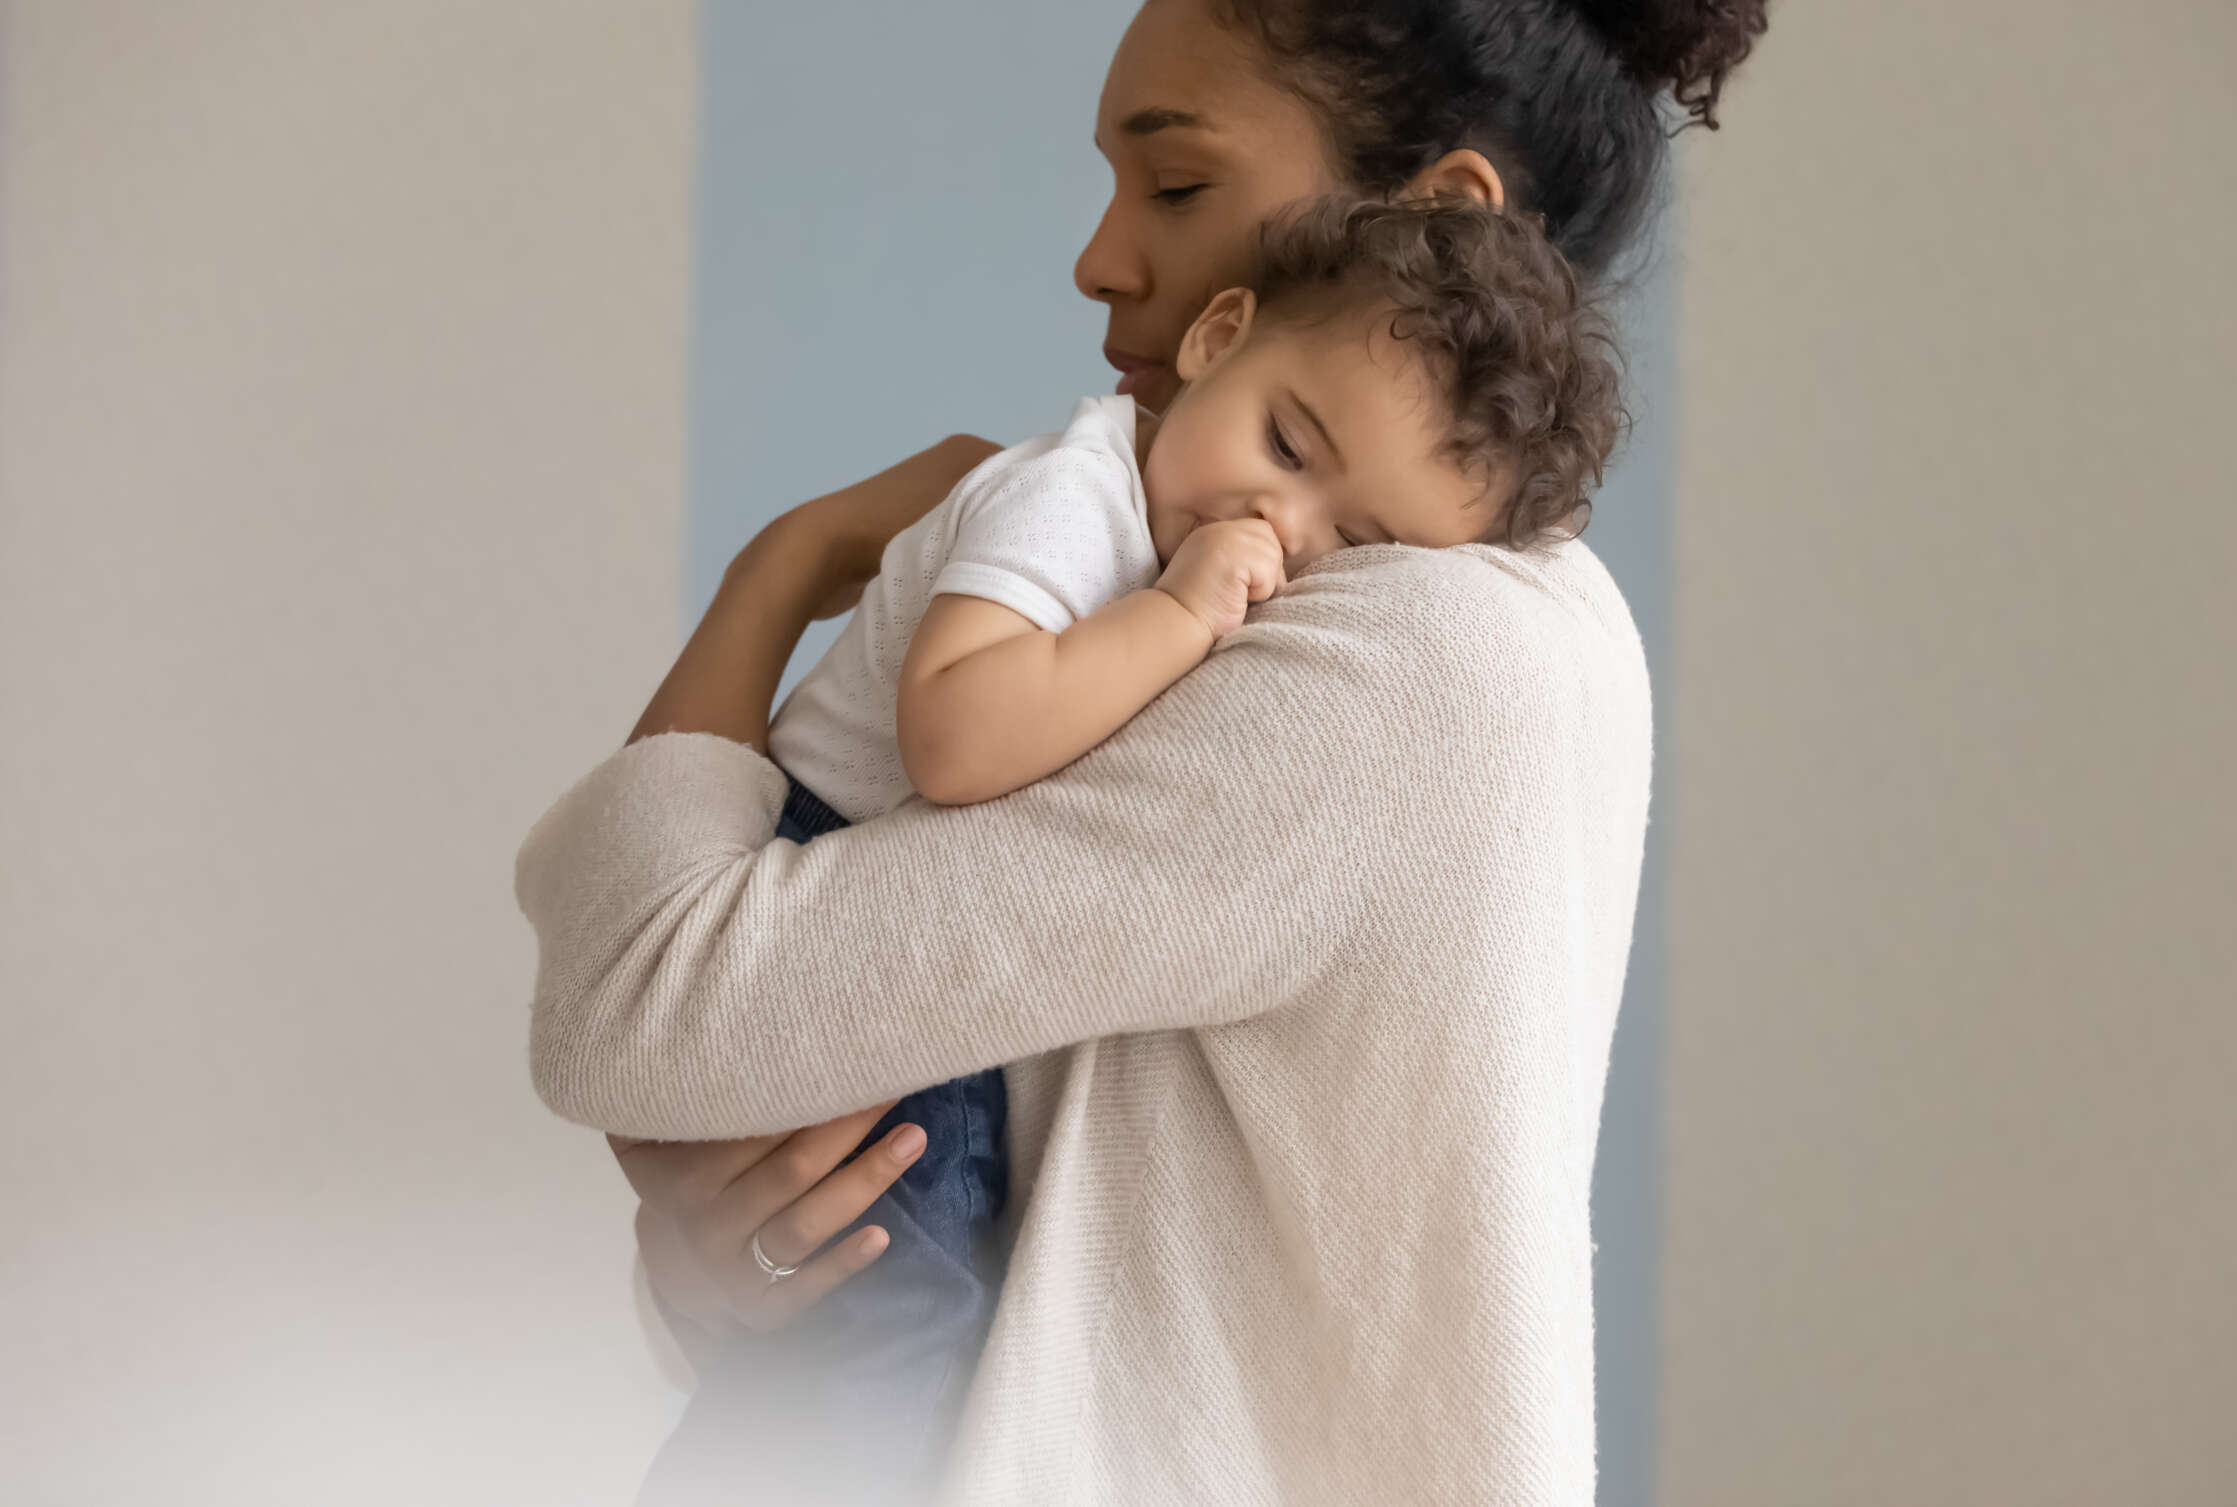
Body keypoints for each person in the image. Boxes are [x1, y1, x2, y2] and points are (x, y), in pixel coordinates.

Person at [523, 0, 1807, 1500]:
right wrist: (735, 1272)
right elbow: (1045, 1198)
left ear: (1443, 210)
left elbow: (643, 1009)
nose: (1099, 257)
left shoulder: (1417, 662)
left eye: (1179, 178)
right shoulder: (1384, 609)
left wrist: (787, 568)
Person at [670, 194, 1625, 1497]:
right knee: (887, 1350)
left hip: (898, 922)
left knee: (892, 1337)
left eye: (1359, 542)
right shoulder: (1068, 492)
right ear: (1216, 338)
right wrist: (1180, 617)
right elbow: (957, 734)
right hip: (823, 861)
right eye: (1288, 441)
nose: (1283, 523)